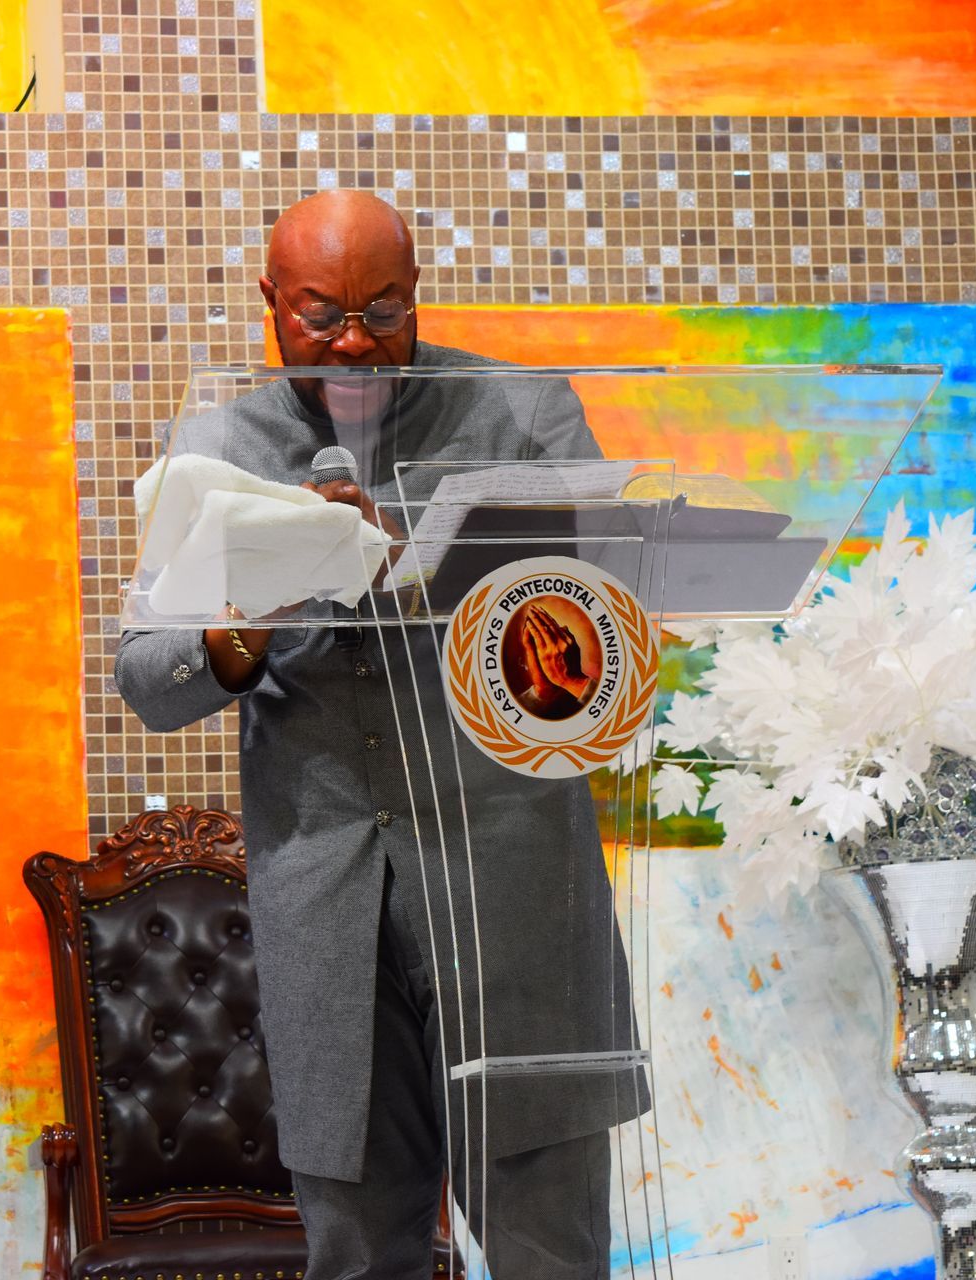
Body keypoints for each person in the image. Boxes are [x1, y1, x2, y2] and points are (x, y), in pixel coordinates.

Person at [117, 191, 646, 1280]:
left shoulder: (521, 412)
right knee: (359, 1256)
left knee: (551, 1254)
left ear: (417, 294)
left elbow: (612, 611)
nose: (354, 340)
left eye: (383, 309)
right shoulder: (217, 446)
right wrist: (253, 612)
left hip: (516, 891)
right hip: (327, 903)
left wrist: (421, 559)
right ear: (272, 302)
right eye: (321, 314)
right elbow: (148, 682)